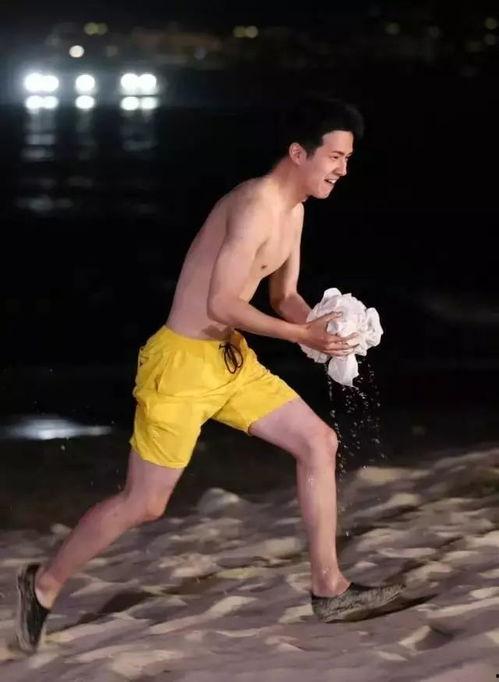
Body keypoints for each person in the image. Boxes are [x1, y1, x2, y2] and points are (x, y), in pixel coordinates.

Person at [16, 96, 403, 653]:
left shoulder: (295, 211)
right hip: (180, 366)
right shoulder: (253, 204)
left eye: (347, 159)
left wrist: (330, 330)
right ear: (299, 153)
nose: (343, 169)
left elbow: (284, 296)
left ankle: (329, 588)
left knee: (319, 441)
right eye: (336, 157)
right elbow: (220, 302)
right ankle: (44, 583)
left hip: (232, 360)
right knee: (145, 504)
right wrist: (303, 336)